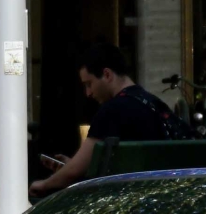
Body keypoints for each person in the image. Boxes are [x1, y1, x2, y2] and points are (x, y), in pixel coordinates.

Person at [28, 44, 174, 198]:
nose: (88, 93)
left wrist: (45, 184)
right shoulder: (154, 103)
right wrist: (71, 166)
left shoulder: (112, 110)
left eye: (89, 84)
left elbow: (74, 171)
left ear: (107, 74)